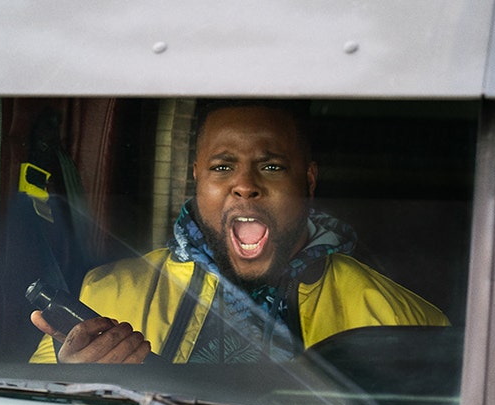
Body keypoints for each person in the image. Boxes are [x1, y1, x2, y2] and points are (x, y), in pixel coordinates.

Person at [29, 100, 448, 363]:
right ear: (196, 178)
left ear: (309, 181)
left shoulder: (406, 324)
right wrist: (79, 393)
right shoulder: (103, 298)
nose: (245, 184)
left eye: (271, 167)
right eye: (222, 167)